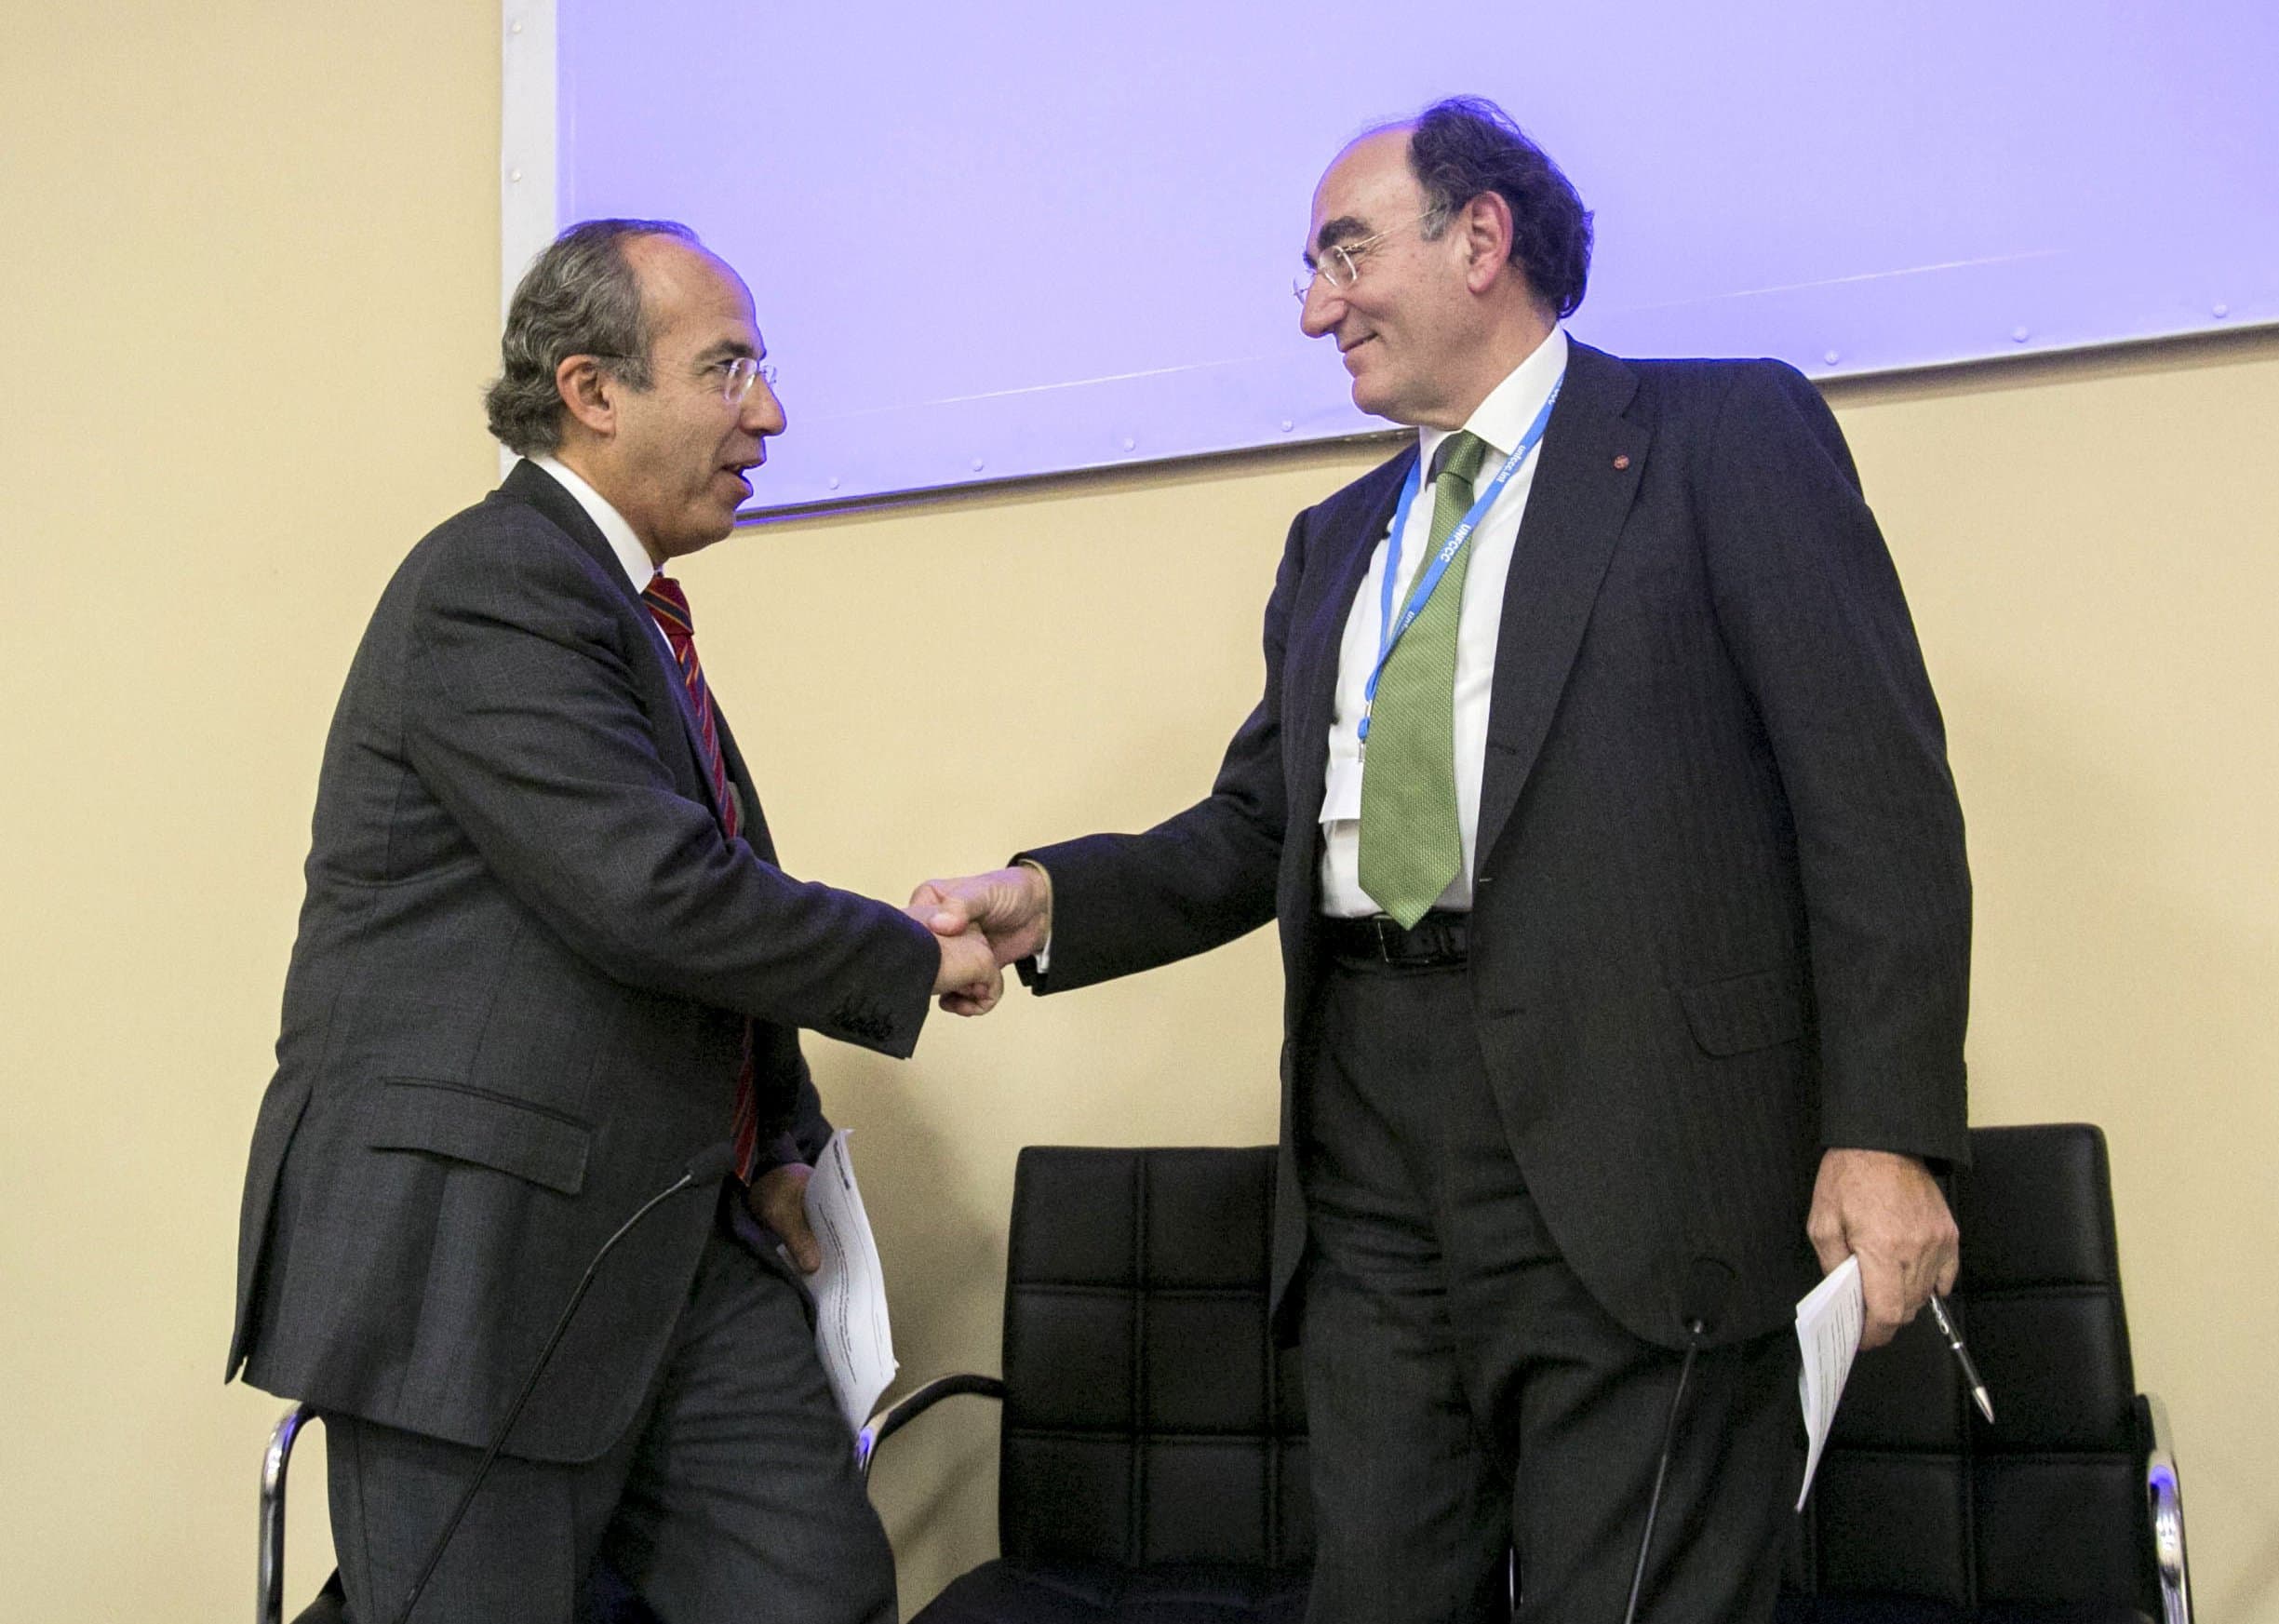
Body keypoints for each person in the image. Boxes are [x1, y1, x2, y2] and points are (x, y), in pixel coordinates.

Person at [917, 98, 1970, 1622]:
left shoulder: (1721, 436)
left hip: (1646, 1141)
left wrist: (1885, 1130)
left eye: (1344, 254)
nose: (1315, 307)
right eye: (1309, 268)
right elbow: (1262, 824)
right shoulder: (1333, 538)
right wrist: (1049, 901)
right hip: (1369, 1144)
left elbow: (1874, 803)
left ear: (1481, 238)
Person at [228, 218, 999, 1624]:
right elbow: (652, 894)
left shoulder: (622, 610)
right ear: (592, 390)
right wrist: (911, 955)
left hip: (683, 1238)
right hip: (473, 1272)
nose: (769, 412)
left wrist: (780, 1137)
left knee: (816, 1591)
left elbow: (697, 896)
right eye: (728, 369)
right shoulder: (495, 580)